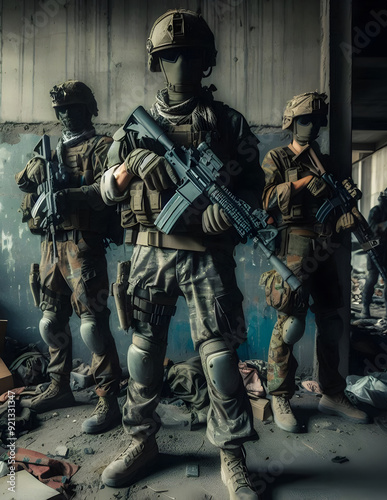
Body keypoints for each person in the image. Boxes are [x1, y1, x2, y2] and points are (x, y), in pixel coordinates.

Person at [100, 9, 263, 499]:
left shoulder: (230, 125)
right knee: (144, 354)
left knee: (219, 361)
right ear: (156, 63)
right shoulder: (134, 128)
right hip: (150, 252)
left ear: (207, 62)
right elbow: (105, 192)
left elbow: (256, 195)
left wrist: (229, 217)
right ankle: (141, 441)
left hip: (207, 258)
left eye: (190, 56)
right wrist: (128, 167)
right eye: (170, 56)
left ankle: (231, 456)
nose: (180, 65)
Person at [15, 80, 122, 434]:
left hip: (83, 246)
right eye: (60, 111)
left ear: (88, 109)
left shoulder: (103, 146)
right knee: (51, 321)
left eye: (72, 109)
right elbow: (24, 184)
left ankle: (108, 399)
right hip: (50, 243)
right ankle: (59, 386)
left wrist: (70, 196)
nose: (65, 116)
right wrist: (32, 172)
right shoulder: (48, 149)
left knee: (92, 325)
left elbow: (108, 191)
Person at [260, 91, 369, 433]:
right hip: (293, 246)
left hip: (325, 246)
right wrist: (306, 183)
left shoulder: (330, 162)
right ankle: (279, 394)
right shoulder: (277, 158)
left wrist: (344, 221)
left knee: (332, 323)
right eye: (305, 120)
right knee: (290, 325)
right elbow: (265, 201)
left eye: (316, 121)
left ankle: (332, 393)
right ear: (291, 122)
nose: (311, 126)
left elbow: (337, 209)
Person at [361, 183, 387, 320]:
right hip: (375, 247)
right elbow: (373, 230)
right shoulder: (376, 211)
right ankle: (365, 307)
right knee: (372, 278)